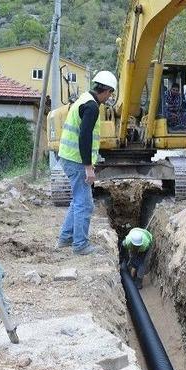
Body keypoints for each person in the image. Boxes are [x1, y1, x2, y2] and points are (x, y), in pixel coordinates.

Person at [56, 71, 118, 255]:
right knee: (85, 204)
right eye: (110, 94)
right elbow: (84, 137)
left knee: (78, 201)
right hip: (76, 160)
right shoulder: (91, 107)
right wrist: (88, 167)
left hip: (69, 156)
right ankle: (80, 245)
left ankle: (66, 238)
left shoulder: (84, 98)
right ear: (106, 91)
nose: (109, 98)